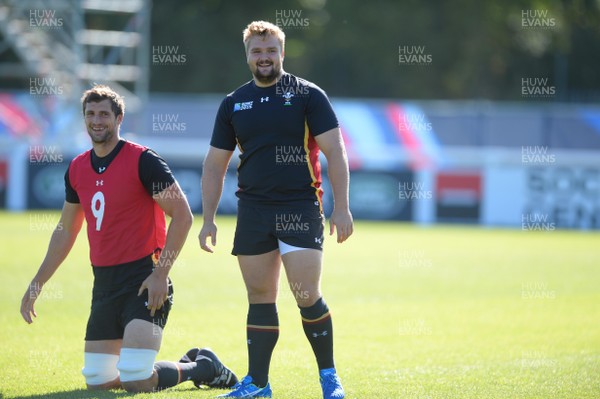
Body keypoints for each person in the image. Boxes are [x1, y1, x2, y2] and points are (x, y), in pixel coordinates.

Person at [20, 85, 238, 393]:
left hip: (144, 278)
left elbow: (183, 215)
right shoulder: (77, 167)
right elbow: (66, 230)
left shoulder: (143, 160)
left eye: (104, 114)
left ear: (119, 118)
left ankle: (202, 367)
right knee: (98, 381)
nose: (97, 121)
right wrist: (37, 282)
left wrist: (161, 273)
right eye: (90, 114)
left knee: (136, 378)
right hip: (104, 283)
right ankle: (196, 364)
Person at [199, 21, 353, 399]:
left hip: (300, 205)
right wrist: (207, 219)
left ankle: (329, 378)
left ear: (282, 53)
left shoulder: (307, 95)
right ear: (247, 55)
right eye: (257, 51)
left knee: (305, 293)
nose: (264, 58)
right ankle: (258, 384)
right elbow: (214, 164)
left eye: (270, 51)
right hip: (252, 210)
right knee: (260, 298)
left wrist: (342, 208)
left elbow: (336, 152)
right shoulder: (233, 103)